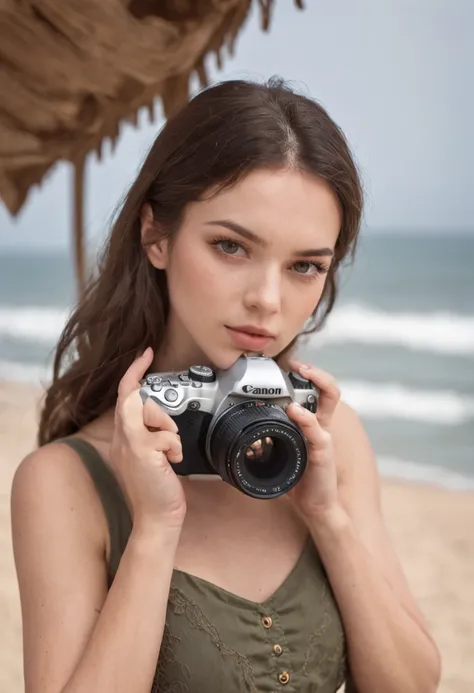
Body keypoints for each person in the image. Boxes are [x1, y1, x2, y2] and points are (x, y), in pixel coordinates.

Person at [11, 78, 441, 693]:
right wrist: (155, 531)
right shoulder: (66, 480)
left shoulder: (327, 436)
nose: (267, 300)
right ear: (156, 234)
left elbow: (412, 684)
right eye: (231, 246)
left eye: (305, 266)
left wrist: (327, 516)